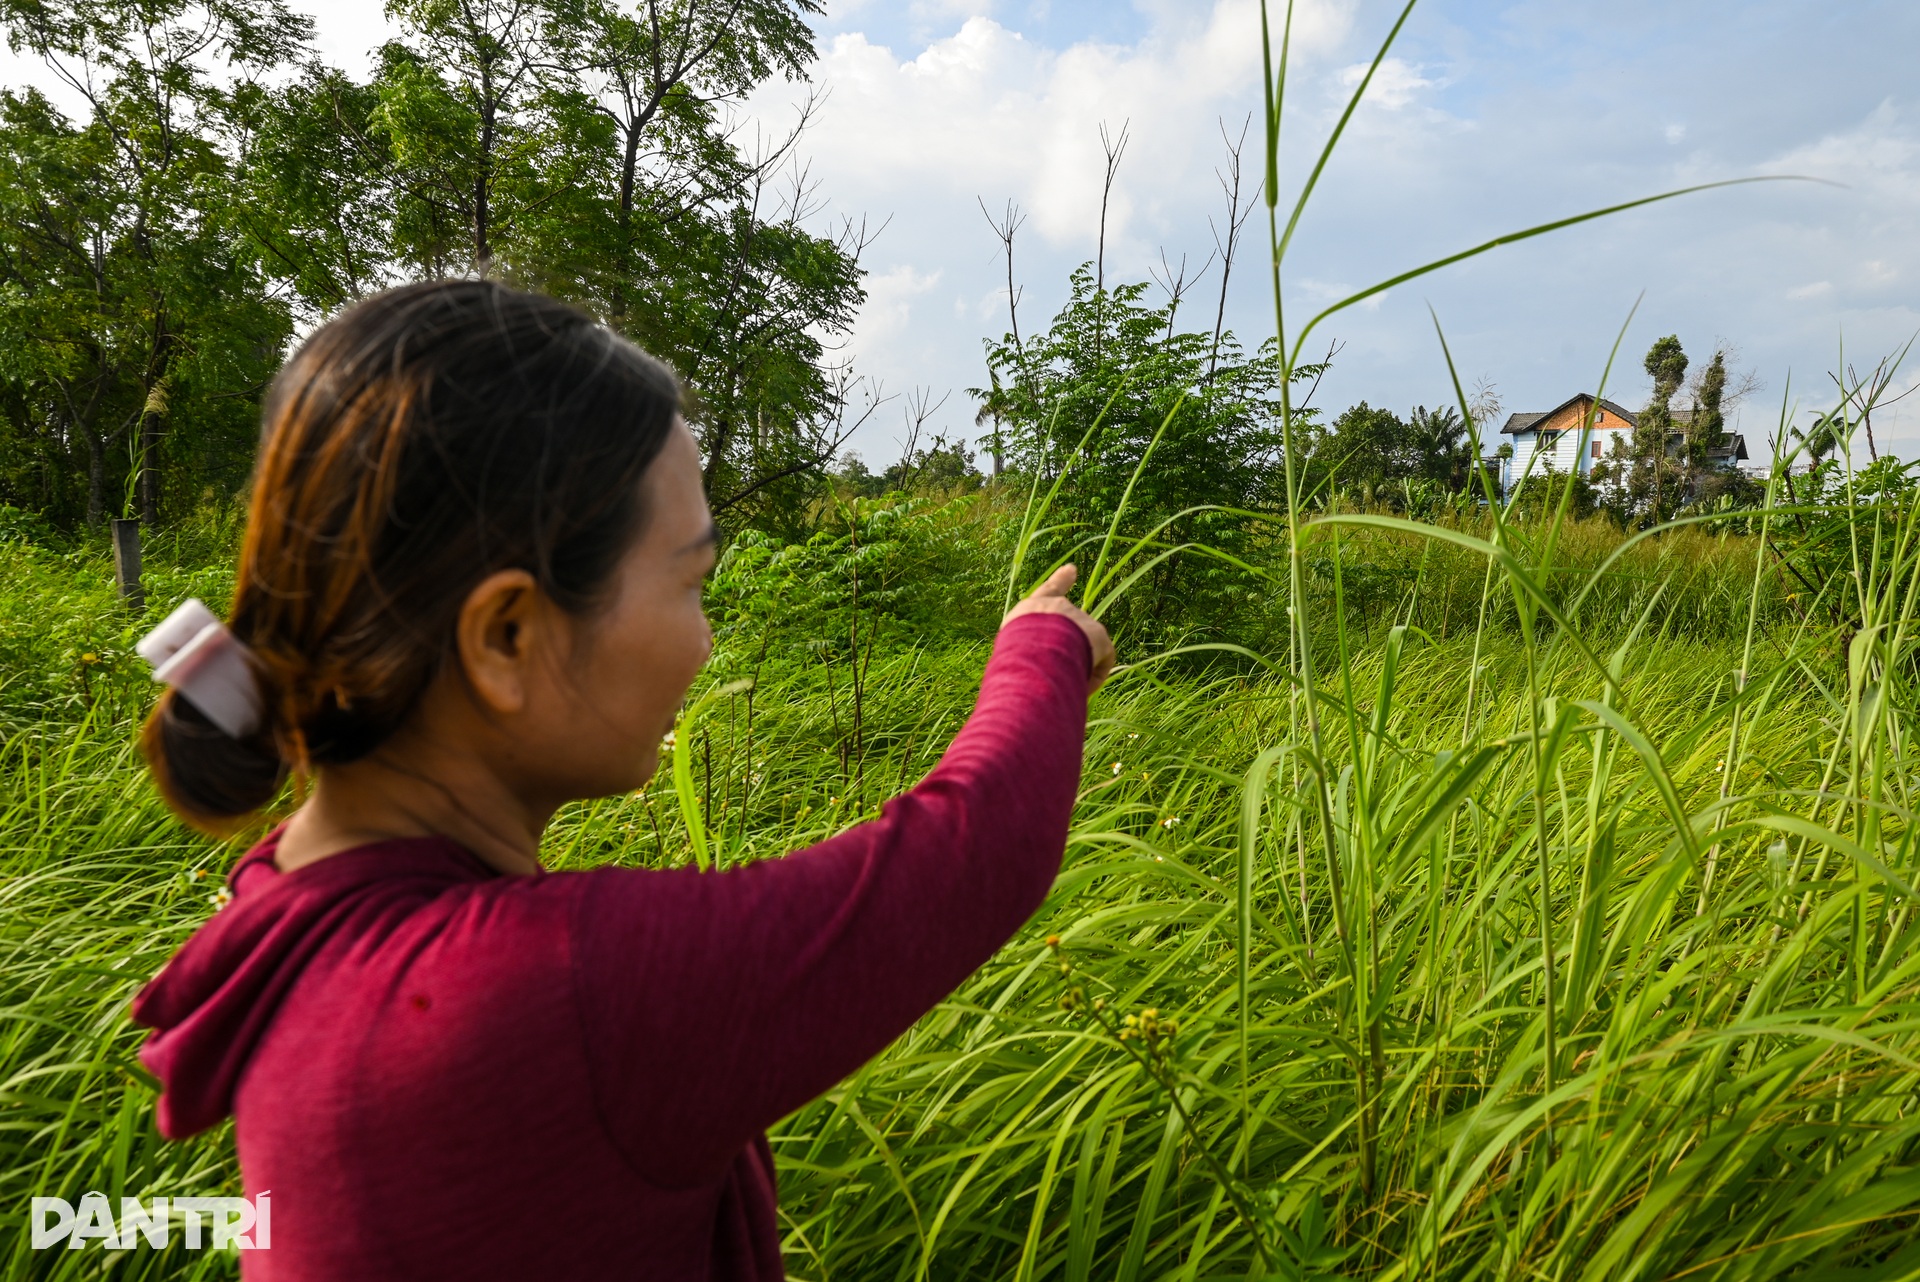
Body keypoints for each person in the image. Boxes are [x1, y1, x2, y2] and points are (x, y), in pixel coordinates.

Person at [130, 280, 1114, 1280]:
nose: (705, 639)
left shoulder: (289, 904)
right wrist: (1044, 647)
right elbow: (975, 856)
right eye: (691, 582)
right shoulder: (546, 994)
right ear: (507, 637)